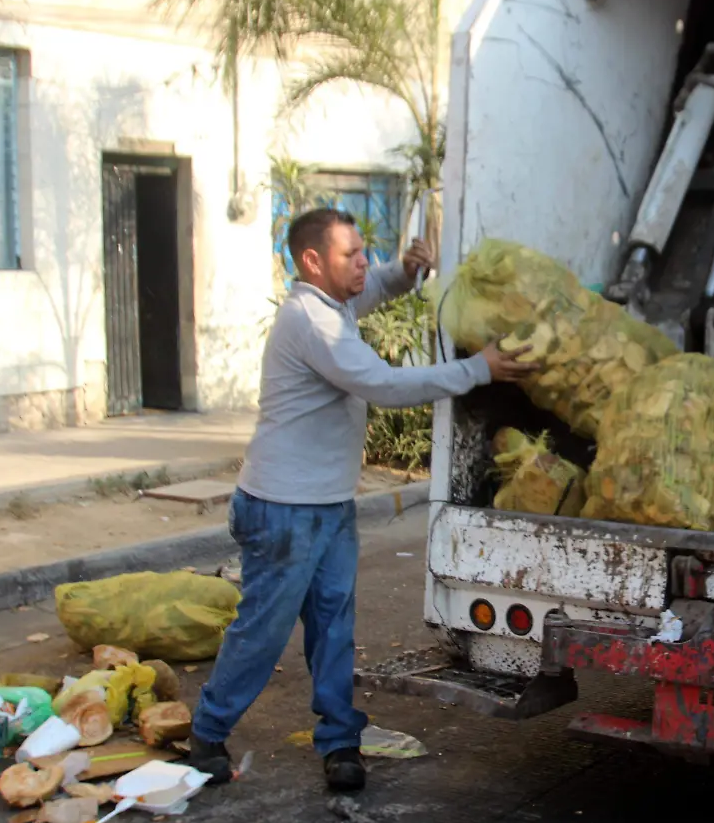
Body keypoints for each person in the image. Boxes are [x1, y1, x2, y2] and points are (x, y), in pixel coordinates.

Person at [188, 209, 535, 792]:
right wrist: (478, 369)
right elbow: (382, 384)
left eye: (362, 251)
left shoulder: (334, 303)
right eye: (350, 254)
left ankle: (340, 741)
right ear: (313, 262)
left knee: (333, 625)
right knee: (264, 630)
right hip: (284, 509)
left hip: (325, 506)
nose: (361, 264)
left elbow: (370, 289)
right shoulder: (310, 321)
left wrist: (401, 273)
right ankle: (207, 732)